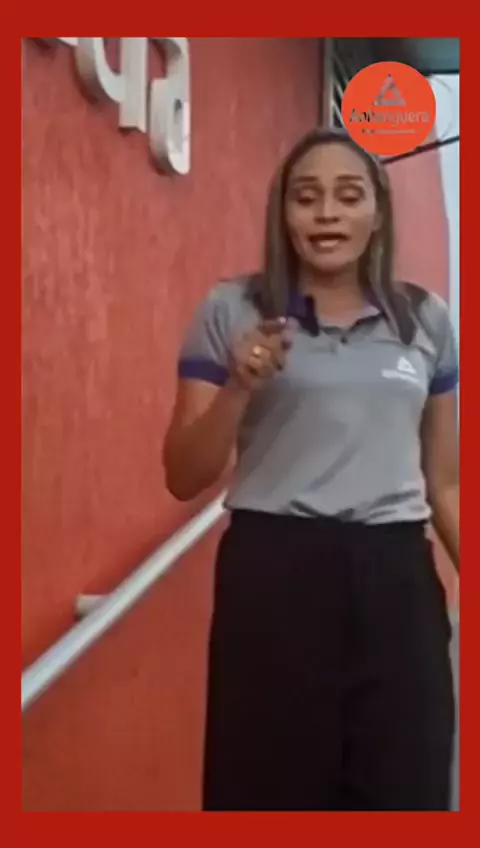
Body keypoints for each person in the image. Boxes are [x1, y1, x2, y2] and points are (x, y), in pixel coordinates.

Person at [163, 128, 459, 811]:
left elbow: (445, 481)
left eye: (348, 196)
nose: (327, 213)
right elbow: (183, 474)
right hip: (274, 575)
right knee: (268, 792)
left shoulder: (425, 319)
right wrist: (238, 387)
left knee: (405, 787)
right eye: (307, 197)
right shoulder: (232, 309)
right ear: (284, 213)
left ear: (377, 212)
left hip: (396, 577)